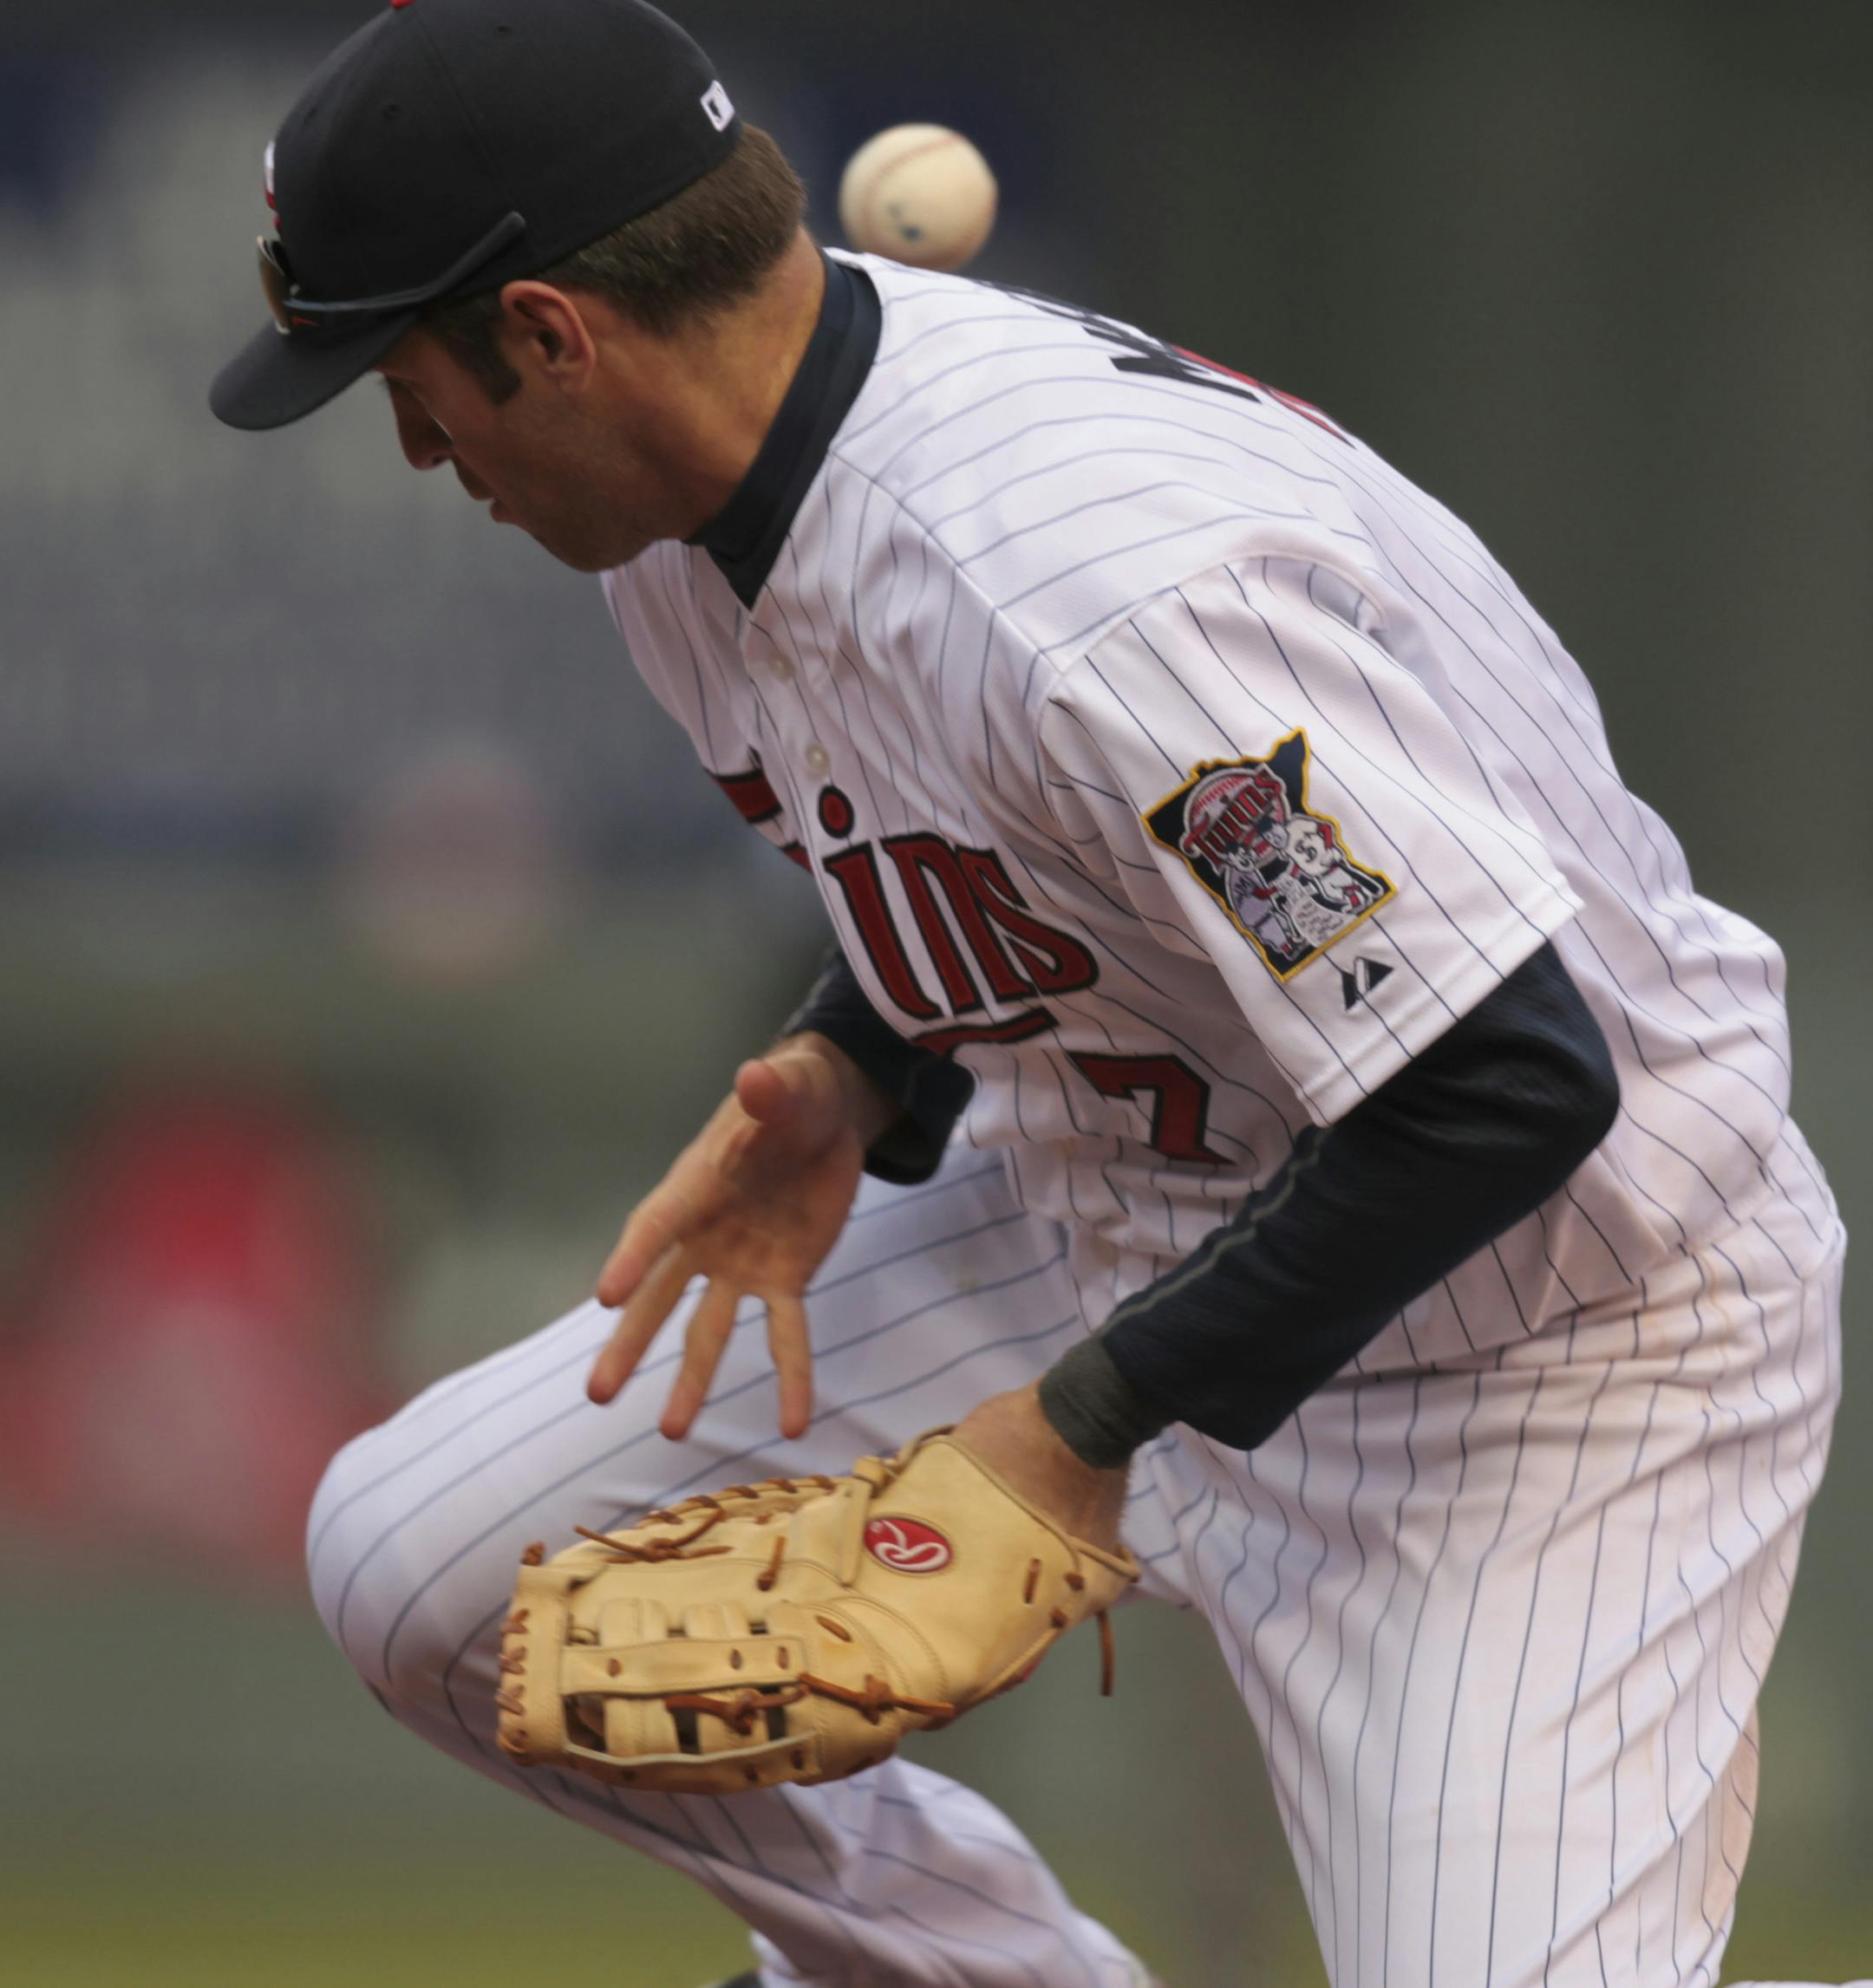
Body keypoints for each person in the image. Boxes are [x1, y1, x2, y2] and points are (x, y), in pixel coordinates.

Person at [212, 3, 1852, 1985]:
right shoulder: (686, 511)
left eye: (409, 380)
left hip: (1546, 1344)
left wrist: (1079, 1424)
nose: (416, 447)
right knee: (424, 1571)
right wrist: (852, 1052)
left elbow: (1504, 1078)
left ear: (554, 333)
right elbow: (1022, 826)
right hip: (1127, 1196)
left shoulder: (1091, 587)